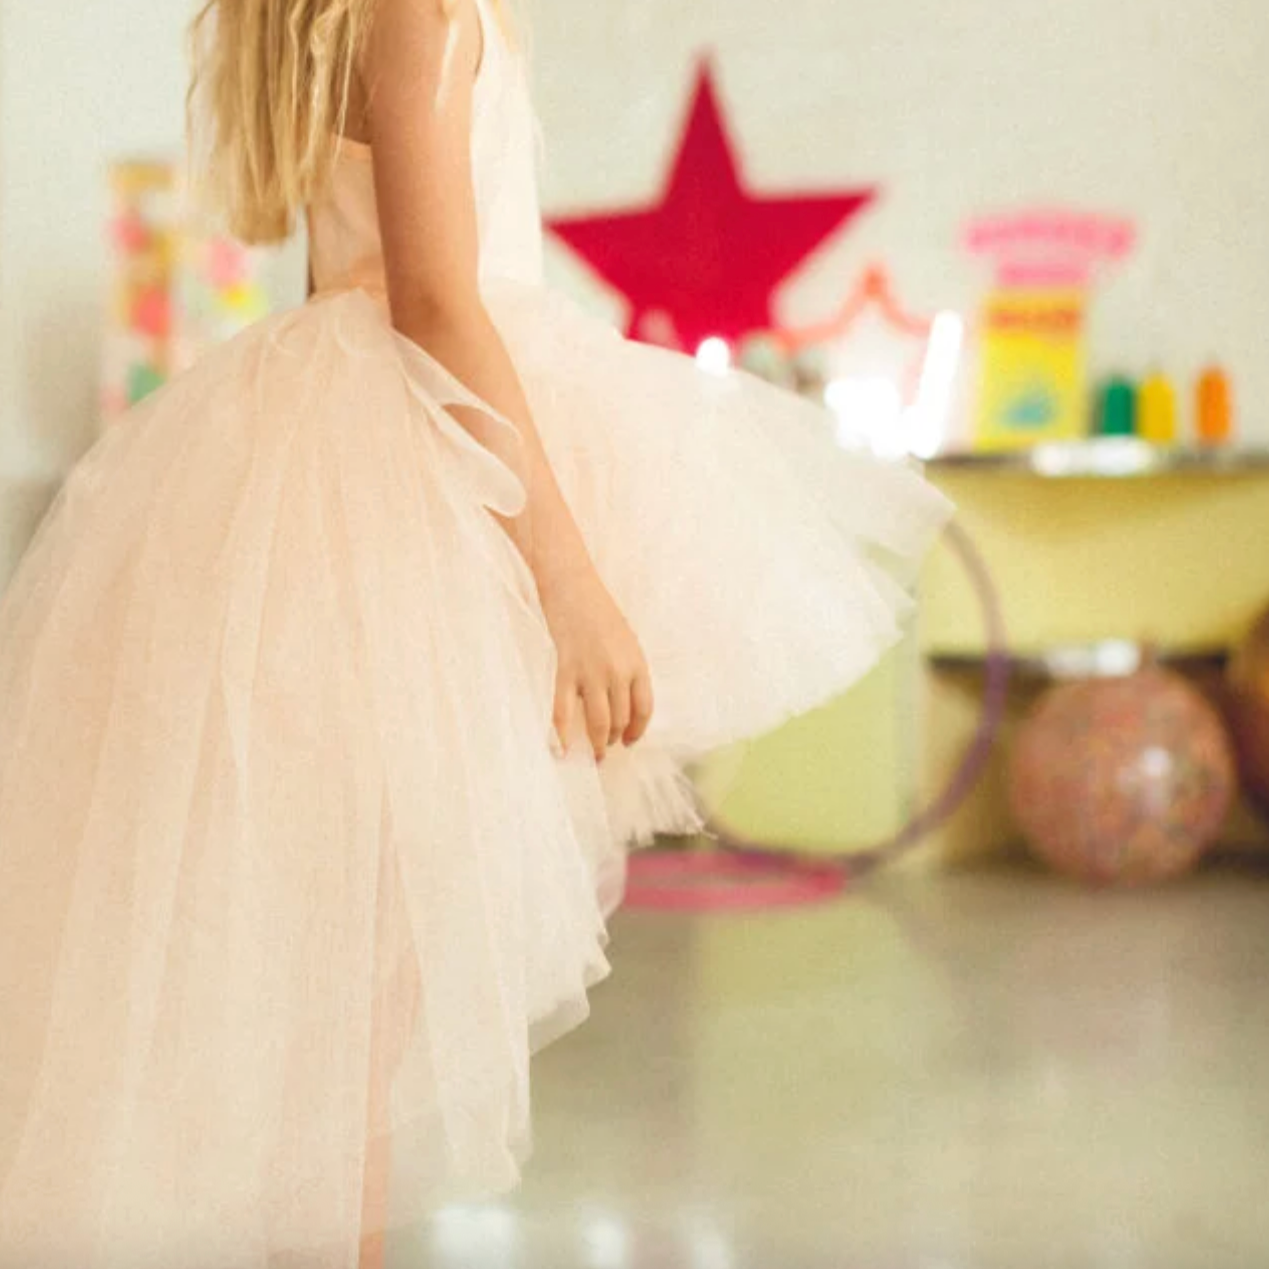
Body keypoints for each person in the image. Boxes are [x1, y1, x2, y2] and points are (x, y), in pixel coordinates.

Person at [0, 1, 952, 1265]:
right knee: (362, 984)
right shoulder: (424, 11)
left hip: (333, 457)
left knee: (340, 975)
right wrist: (567, 575)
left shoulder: (352, 20)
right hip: (422, 462)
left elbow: (369, 284)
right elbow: (438, 302)